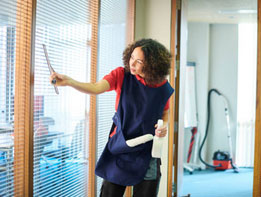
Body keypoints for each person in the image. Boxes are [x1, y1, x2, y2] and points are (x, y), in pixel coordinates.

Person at [49, 38, 174, 197]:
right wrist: (69, 81)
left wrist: (164, 126)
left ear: (152, 64)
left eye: (139, 61)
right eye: (131, 58)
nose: (132, 64)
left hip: (147, 150)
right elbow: (96, 87)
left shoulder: (162, 86)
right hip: (120, 145)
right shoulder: (121, 75)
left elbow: (165, 112)